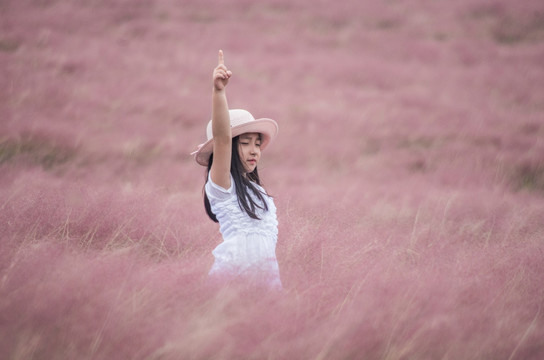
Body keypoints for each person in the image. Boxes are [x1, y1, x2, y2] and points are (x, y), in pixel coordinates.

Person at [191, 50, 281, 289]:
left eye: (257, 143)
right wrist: (219, 92)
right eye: (244, 143)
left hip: (267, 283)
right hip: (231, 282)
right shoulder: (222, 186)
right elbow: (222, 139)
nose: (254, 151)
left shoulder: (256, 191)